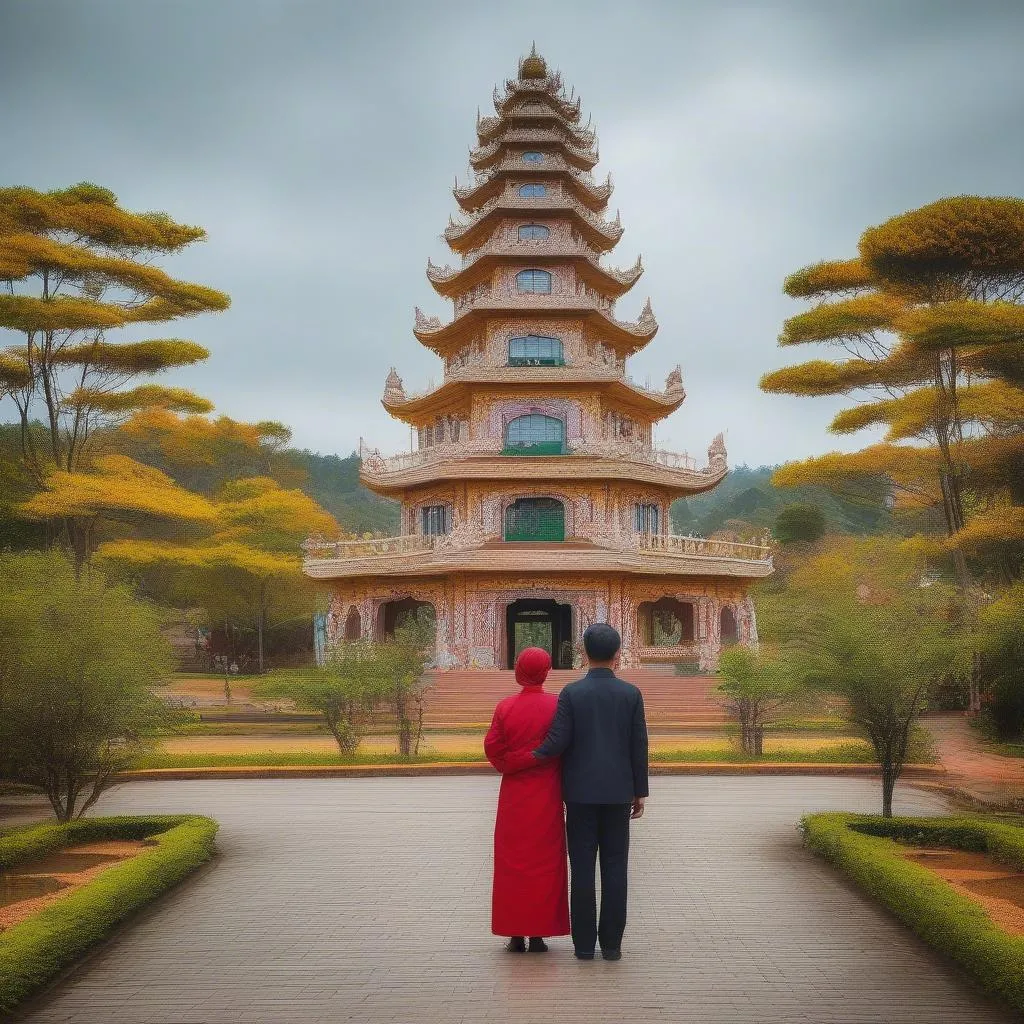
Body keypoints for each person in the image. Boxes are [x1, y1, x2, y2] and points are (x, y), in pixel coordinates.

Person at [530, 623, 649, 961]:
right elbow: (638, 746)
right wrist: (639, 791)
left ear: (583, 653)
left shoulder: (571, 693)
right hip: (618, 794)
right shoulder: (630, 694)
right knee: (615, 868)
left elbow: (558, 741)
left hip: (579, 794)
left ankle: (583, 946)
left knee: (581, 869)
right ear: (618, 654)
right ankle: (611, 945)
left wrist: (528, 757)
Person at [484, 646, 570, 953]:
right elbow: (565, 747)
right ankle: (538, 935)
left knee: (513, 865)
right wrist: (541, 759)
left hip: (514, 795)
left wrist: (517, 761)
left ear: (518, 671)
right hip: (547, 792)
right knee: (544, 863)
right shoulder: (558, 705)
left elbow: (494, 750)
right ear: (547, 672)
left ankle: (515, 934)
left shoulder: (505, 707)